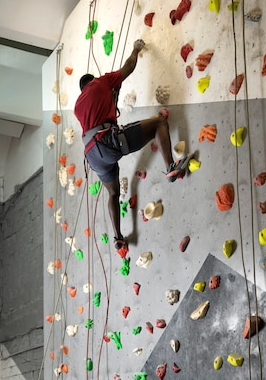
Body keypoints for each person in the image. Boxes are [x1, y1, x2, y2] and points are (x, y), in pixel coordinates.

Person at [74, 38, 188, 257]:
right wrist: (136, 49)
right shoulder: (101, 82)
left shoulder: (78, 106)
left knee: (113, 193)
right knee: (159, 124)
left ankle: (118, 238)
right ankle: (171, 167)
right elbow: (128, 67)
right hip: (107, 140)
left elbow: (96, 117)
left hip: (92, 155)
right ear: (92, 80)